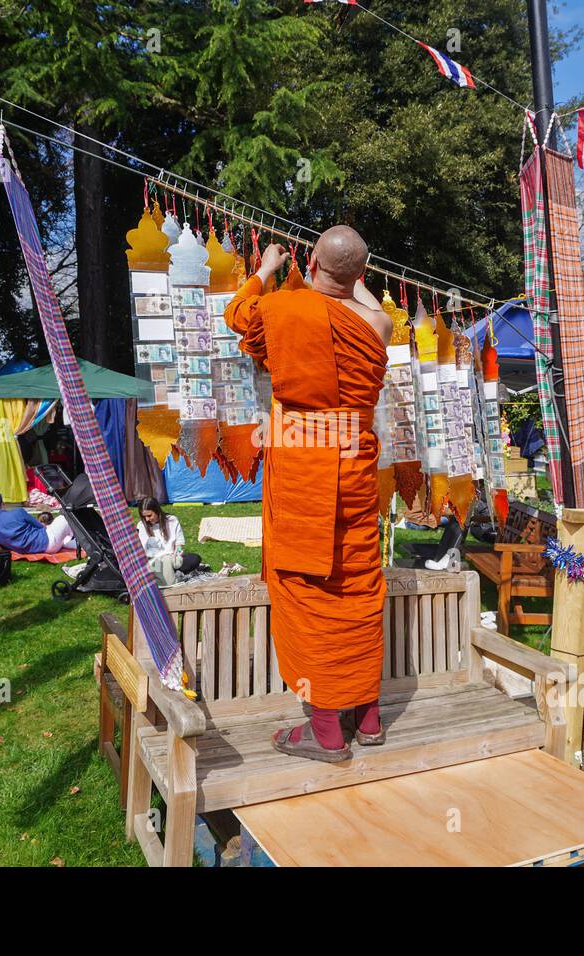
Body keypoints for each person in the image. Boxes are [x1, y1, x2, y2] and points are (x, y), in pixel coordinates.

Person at [226, 226, 392, 762]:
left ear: (312, 259)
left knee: (307, 588)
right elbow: (356, 295)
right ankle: (367, 716)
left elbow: (236, 315)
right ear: (361, 275)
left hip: (302, 464)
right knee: (359, 580)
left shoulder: (282, 309)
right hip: (355, 464)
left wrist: (267, 269)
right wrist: (349, 274)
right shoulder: (378, 324)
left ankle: (324, 729)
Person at [0, 493, 77, 554]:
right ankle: (82, 539)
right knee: (66, 515)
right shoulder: (18, 512)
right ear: (2, 504)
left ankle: (76, 542)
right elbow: (40, 526)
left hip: (38, 549)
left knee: (62, 536)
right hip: (47, 540)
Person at [137, 497, 201, 585]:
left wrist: (177, 554)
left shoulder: (172, 520)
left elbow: (179, 544)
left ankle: (170, 574)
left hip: (173, 559)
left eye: (149, 515)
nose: (147, 519)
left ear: (157, 511)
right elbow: (144, 551)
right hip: (156, 563)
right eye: (144, 517)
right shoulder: (141, 526)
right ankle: (171, 575)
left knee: (194, 558)